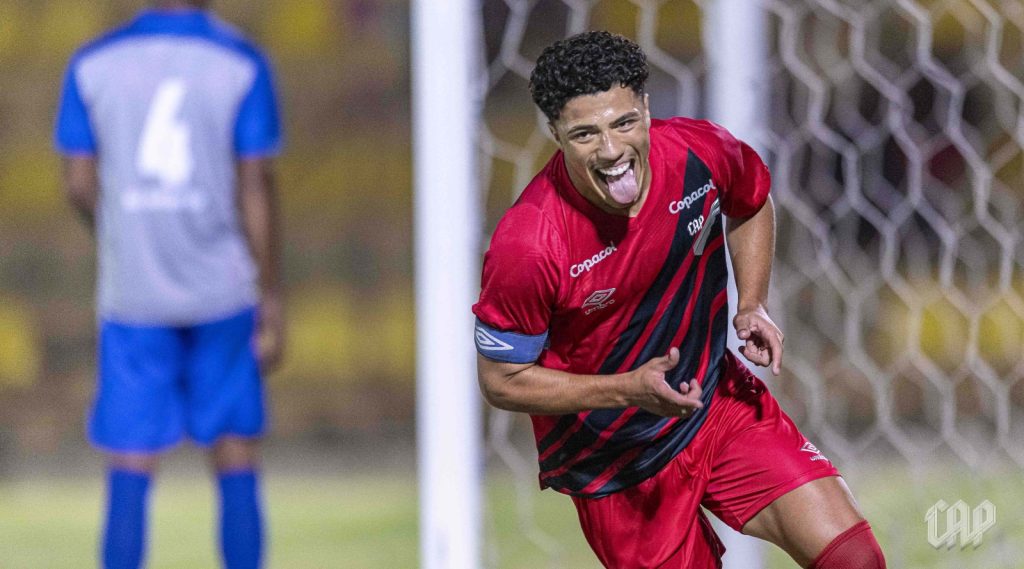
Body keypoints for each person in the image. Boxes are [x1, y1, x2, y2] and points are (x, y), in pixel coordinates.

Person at [473, 31, 885, 568]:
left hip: (715, 403)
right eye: (584, 134)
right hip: (616, 465)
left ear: (646, 107)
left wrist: (752, 302)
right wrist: (625, 390)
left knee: (854, 560)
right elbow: (502, 379)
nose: (612, 150)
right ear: (554, 133)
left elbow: (751, 201)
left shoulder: (699, 153)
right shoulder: (530, 243)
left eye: (624, 122)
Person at [54, 2, 283, 568]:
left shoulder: (92, 63)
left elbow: (79, 183)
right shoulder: (240, 61)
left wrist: (125, 232)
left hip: (134, 293)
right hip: (223, 292)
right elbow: (254, 184)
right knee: (234, 449)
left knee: (131, 455)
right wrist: (271, 296)